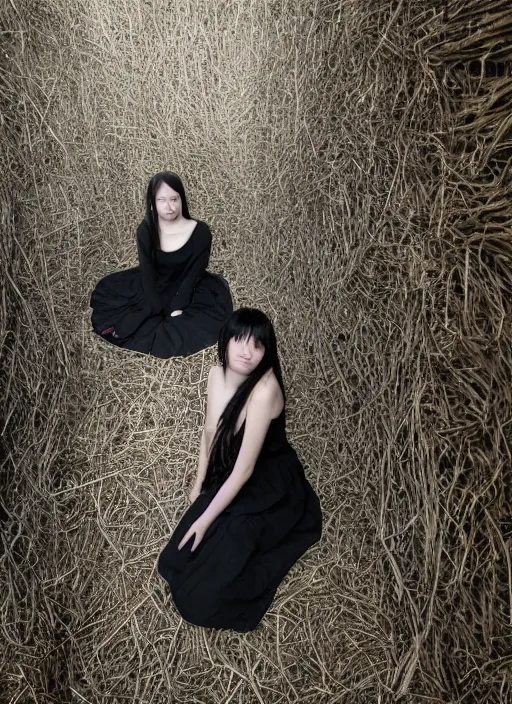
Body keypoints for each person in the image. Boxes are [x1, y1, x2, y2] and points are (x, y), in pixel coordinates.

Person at [157, 308, 322, 632]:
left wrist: (205, 520)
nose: (247, 352)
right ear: (226, 341)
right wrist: (199, 482)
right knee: (171, 563)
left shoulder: (264, 391)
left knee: (201, 597)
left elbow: (246, 471)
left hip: (267, 485)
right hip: (228, 473)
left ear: (267, 351)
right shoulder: (216, 376)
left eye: (257, 345)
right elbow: (210, 433)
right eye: (240, 341)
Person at [90, 171, 233, 358]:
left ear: (182, 199)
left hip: (190, 287)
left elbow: (193, 275)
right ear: (152, 202)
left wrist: (177, 307)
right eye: (161, 200)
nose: (169, 206)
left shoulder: (200, 232)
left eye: (174, 199)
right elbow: (147, 274)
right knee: (128, 313)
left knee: (191, 326)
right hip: (153, 286)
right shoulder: (146, 231)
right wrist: (153, 307)